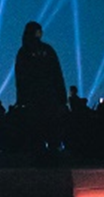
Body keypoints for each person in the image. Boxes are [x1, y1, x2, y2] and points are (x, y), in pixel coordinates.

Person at [14, 21, 66, 154]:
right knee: (50, 127)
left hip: (33, 98)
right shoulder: (47, 50)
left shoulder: (23, 52)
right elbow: (57, 74)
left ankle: (40, 156)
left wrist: (21, 99)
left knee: (36, 130)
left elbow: (20, 78)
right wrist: (62, 97)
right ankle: (52, 154)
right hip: (47, 96)